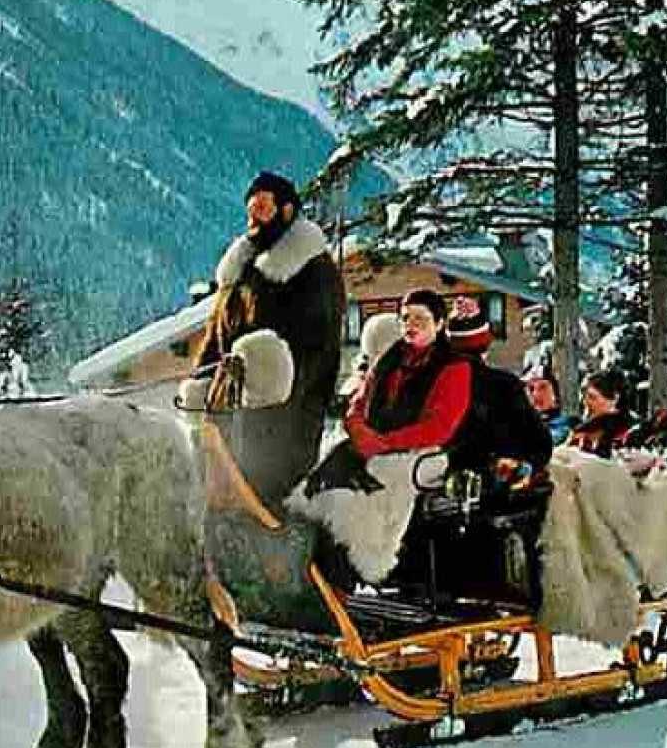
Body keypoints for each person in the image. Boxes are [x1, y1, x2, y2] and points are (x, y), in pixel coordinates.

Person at [191, 170, 346, 502]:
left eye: (262, 209)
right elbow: (218, 332)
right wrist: (201, 376)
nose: (253, 218)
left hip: (288, 409)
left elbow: (321, 345)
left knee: (268, 492)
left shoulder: (313, 269)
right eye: (250, 210)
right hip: (232, 402)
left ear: (286, 211)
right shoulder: (244, 267)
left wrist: (283, 392)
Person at [343, 288, 473, 459]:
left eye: (420, 318)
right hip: (371, 446)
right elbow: (359, 402)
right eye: (405, 318)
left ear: (439, 324)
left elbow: (439, 427)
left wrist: (385, 442)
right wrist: (358, 430)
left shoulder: (454, 366)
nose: (410, 325)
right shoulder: (388, 360)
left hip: (421, 454)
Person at [444, 297, 552, 485]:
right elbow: (540, 445)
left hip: (440, 483)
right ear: (485, 344)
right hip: (496, 488)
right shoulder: (505, 385)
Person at [566, 369, 638, 458]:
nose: (585, 402)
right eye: (584, 397)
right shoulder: (583, 429)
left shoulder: (633, 431)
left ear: (615, 399)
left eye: (592, 397)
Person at [522, 365, 574, 444]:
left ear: (555, 393)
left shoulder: (569, 424)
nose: (536, 394)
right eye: (531, 389)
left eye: (543, 387)